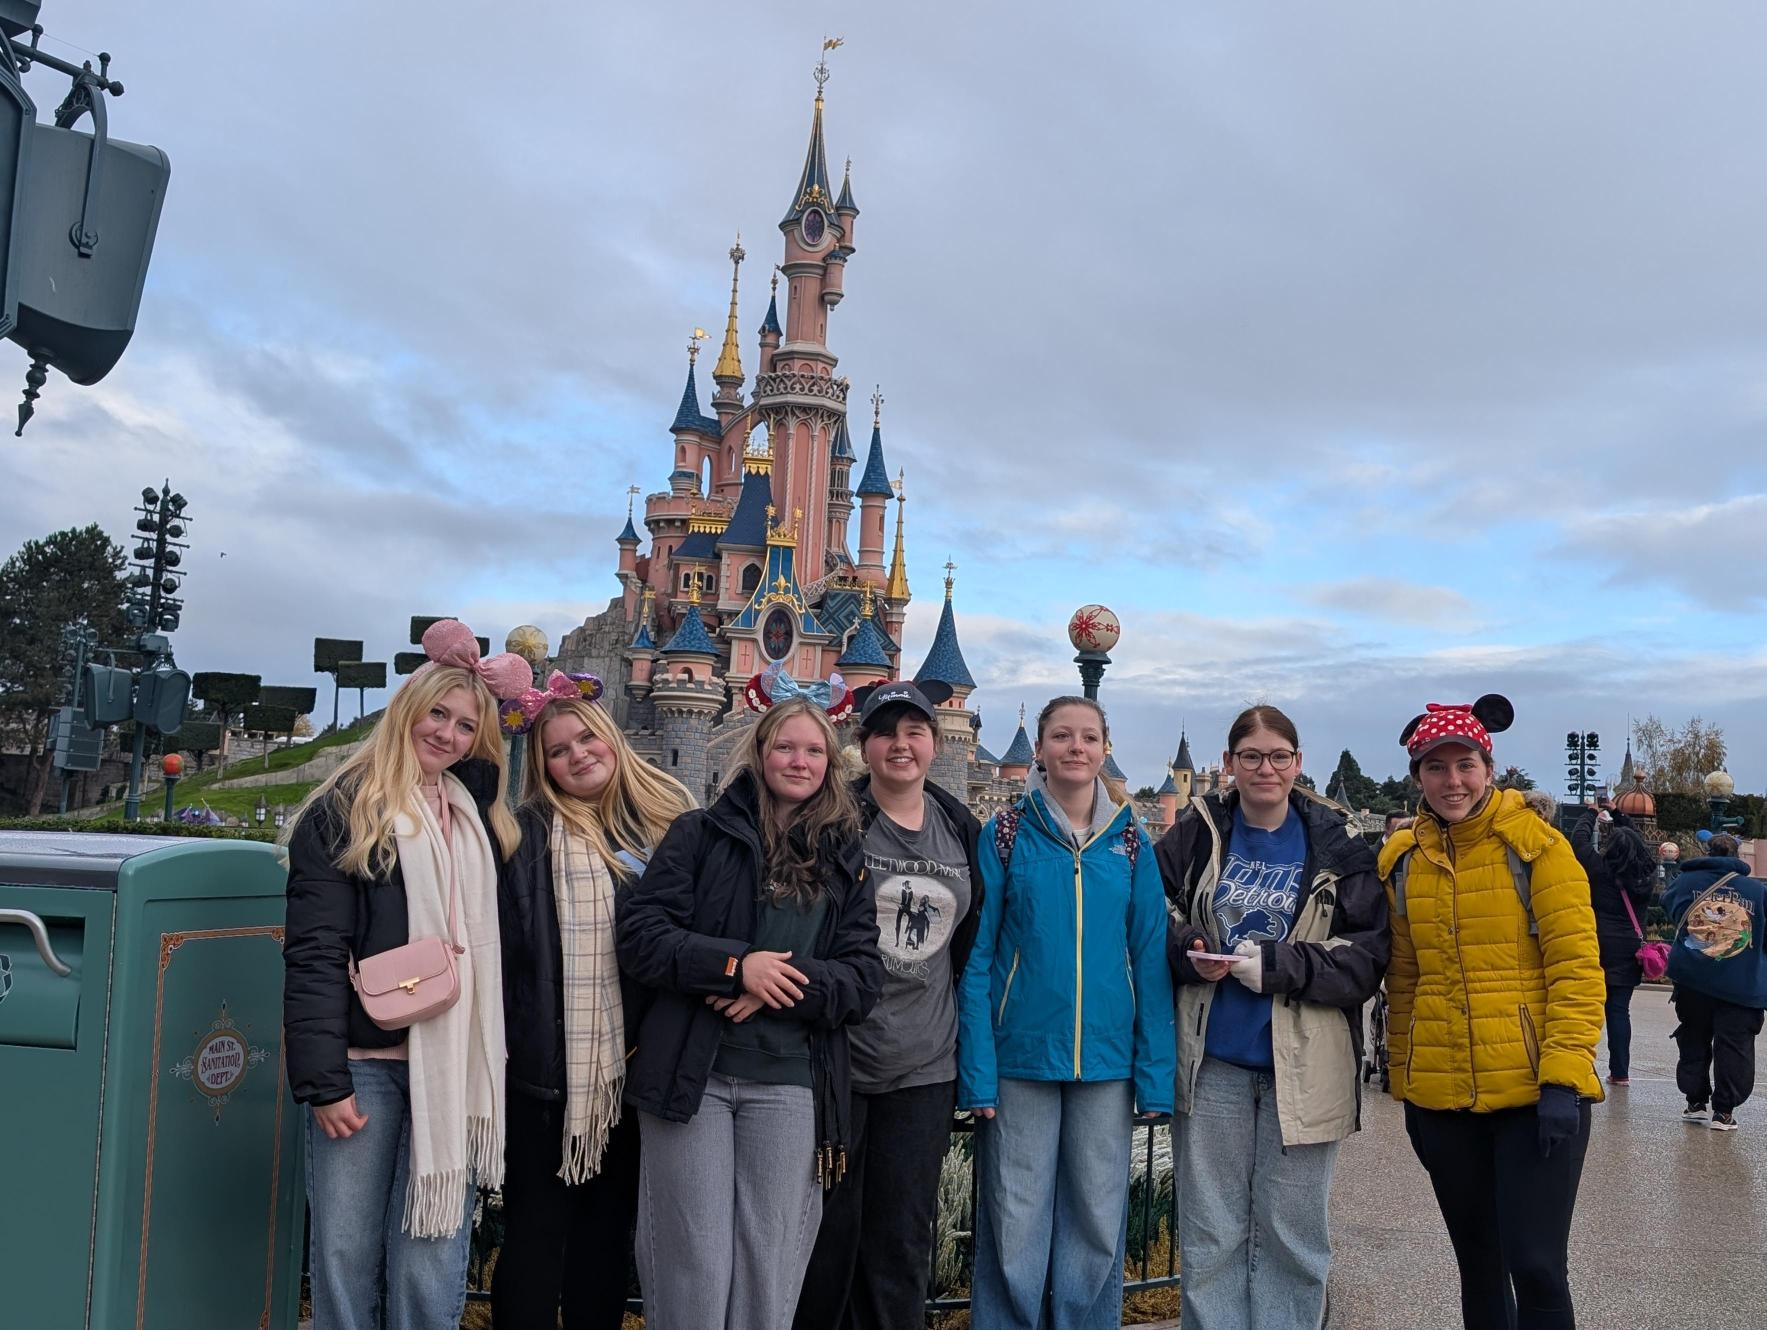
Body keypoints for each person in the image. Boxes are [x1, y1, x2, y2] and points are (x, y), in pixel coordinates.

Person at [282, 620, 528, 1330]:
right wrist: (323, 1080)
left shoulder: (472, 819)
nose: (447, 735)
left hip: (449, 1069)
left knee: (433, 1248)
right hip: (362, 1068)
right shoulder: (346, 810)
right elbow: (315, 953)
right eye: (437, 715)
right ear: (406, 711)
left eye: (465, 726)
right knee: (344, 1250)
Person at [616, 680, 884, 1330]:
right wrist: (737, 967)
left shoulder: (845, 858)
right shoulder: (699, 835)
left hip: (790, 1082)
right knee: (693, 1261)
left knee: (769, 1264)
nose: (798, 761)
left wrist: (773, 986)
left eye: (813, 751)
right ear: (760, 754)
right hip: (693, 1077)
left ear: (830, 763)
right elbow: (642, 938)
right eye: (785, 747)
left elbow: (861, 979)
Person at [1157, 705, 1389, 1330]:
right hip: (1215, 1065)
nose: (1266, 768)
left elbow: (1368, 956)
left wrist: (1284, 967)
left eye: (1278, 756)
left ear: (1298, 763)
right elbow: (1149, 916)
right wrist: (1188, 953)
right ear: (1228, 765)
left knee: (1294, 1239)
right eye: (1251, 756)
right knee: (1211, 1238)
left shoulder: (1339, 843)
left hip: (1306, 1070)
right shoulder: (1195, 833)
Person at [1379, 696, 1604, 1330]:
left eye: (1465, 765)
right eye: (1436, 768)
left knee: (1535, 1264)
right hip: (1444, 1095)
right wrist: (1405, 1079)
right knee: (1478, 1265)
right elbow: (1405, 978)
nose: (1452, 782)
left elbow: (1576, 968)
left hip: (1535, 1090)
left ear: (1489, 767)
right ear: (1417, 775)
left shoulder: (1537, 848)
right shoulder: (1402, 861)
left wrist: (1563, 1075)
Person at [956, 696, 1176, 1330]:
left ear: (1104, 748)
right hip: (1021, 1055)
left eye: (1087, 737)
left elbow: (1150, 962)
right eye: (1060, 736)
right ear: (1041, 749)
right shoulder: (1004, 834)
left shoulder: (1131, 843)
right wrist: (978, 1069)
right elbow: (979, 957)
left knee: (1096, 1219)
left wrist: (1154, 1075)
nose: (1074, 748)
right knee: (1014, 1219)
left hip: (1106, 1062)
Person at [492, 671, 696, 1328]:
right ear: (544, 767)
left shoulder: (672, 821)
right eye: (559, 750)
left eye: (586, 738)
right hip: (550, 1077)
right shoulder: (529, 836)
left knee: (607, 1247)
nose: (579, 754)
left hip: (637, 1075)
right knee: (532, 1241)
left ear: (609, 735)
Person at [792, 679, 983, 1330]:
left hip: (922, 1067)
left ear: (934, 742)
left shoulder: (959, 826)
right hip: (840, 1062)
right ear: (863, 745)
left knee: (902, 1237)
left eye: (914, 732)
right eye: (885, 733)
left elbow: (969, 938)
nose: (900, 745)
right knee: (827, 1233)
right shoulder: (834, 820)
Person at [1663, 833, 1767, 1131]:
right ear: (1738, 856)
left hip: (1693, 979)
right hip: (1740, 982)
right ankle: (1724, 1111)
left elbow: (1670, 908)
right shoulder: (1755, 891)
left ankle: (1695, 1101)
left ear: (1708, 850)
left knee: (1693, 1038)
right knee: (1735, 1045)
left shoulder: (1684, 882)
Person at [1570, 810, 1656, 1086]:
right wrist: (1620, 816)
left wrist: (1592, 814)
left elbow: (1579, 841)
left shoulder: (1599, 869)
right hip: (1630, 946)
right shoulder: (1646, 877)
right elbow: (1637, 839)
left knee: (1583, 1006)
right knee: (1619, 1010)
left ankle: (1579, 1064)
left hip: (1597, 942)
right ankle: (1620, 1071)